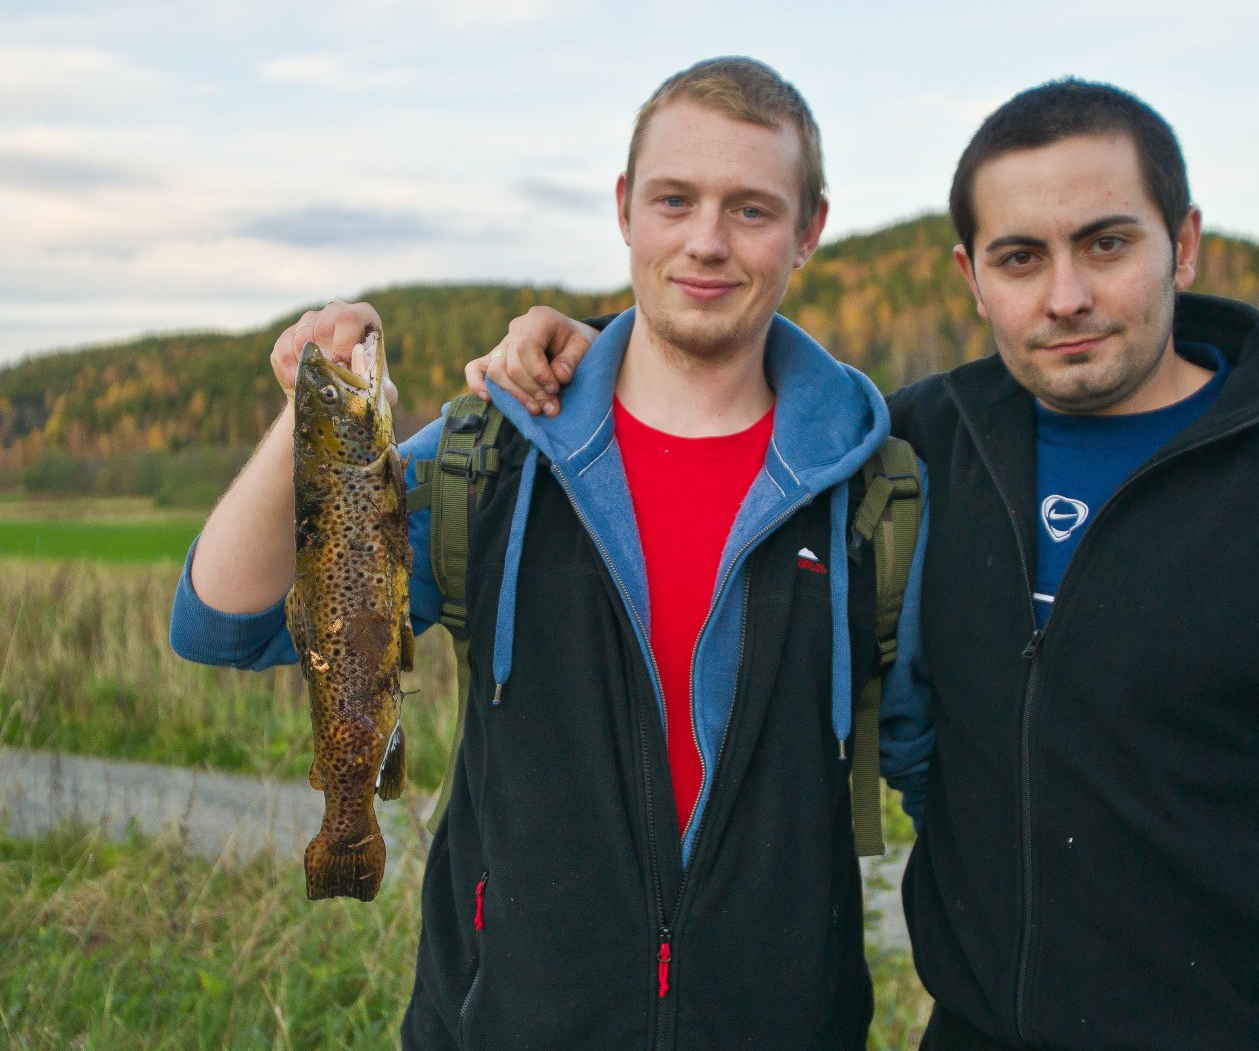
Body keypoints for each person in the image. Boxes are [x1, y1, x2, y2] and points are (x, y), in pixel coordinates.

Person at [479, 77, 1259, 1049]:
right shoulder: (910, 453)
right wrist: (582, 351)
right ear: (971, 275)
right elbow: (716, 407)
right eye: (1020, 256)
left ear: (1187, 242)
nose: (1064, 294)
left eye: (1107, 244)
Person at [169, 55, 926, 1050]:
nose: (705, 240)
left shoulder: (866, 487)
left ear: (809, 229)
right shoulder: (496, 453)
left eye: (750, 208)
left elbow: (946, 775)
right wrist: (317, 404)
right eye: (674, 199)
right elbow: (225, 623)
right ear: (624, 209)